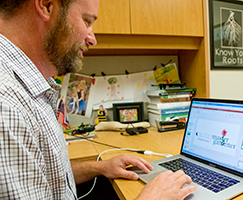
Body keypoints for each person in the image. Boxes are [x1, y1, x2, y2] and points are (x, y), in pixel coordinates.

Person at [0, 0, 197, 199]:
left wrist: (100, 167)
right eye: (87, 21)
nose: (92, 39)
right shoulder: (7, 106)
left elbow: (50, 177)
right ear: (46, 5)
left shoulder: (30, 90)